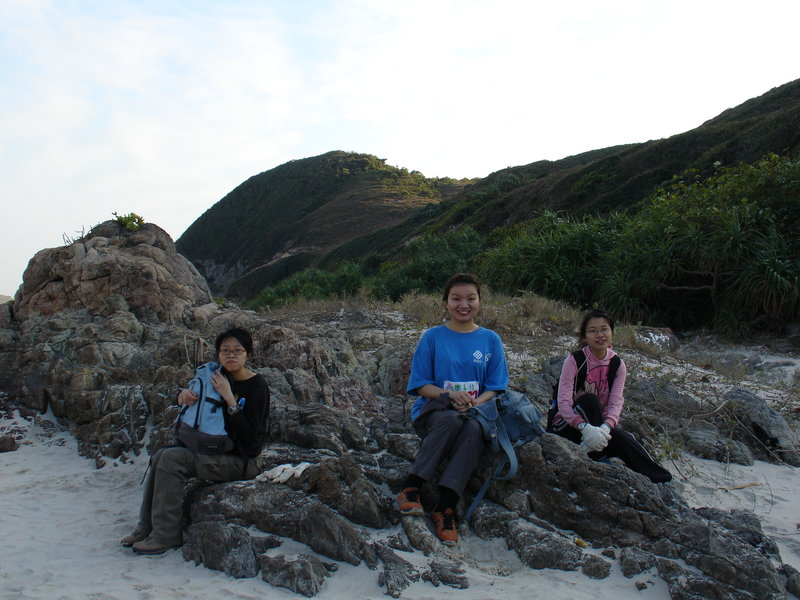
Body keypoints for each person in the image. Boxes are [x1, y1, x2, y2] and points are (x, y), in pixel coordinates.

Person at [121, 327, 270, 554]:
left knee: (172, 459)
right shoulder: (216, 377)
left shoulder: (257, 386)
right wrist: (182, 396)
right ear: (218, 354)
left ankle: (165, 535)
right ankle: (146, 528)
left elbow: (252, 439)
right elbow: (198, 403)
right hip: (216, 451)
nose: (231, 355)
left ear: (248, 354)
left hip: (242, 461)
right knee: (160, 455)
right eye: (225, 350)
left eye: (237, 350)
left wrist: (230, 399)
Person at [397, 273, 509, 545]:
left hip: (474, 412)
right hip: (435, 410)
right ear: (445, 302)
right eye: (456, 299)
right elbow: (421, 385)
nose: (464, 305)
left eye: (470, 298)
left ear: (479, 301)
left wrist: (474, 403)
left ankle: (445, 506)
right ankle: (411, 487)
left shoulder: (491, 340)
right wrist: (450, 396)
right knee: (451, 420)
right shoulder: (432, 337)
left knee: (471, 428)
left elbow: (495, 387)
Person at [548, 309, 672, 483]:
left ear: (612, 332)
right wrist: (585, 428)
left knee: (623, 438)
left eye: (604, 329)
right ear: (584, 336)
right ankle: (597, 454)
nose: (600, 335)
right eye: (593, 331)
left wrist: (605, 429)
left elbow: (615, 403)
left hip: (597, 429)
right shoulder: (575, 360)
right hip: (566, 427)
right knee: (590, 400)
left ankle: (662, 479)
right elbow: (563, 403)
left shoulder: (617, 364)